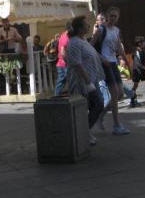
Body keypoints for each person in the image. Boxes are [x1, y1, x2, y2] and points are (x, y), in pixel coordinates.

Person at [65, 16, 105, 145]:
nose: (89, 26)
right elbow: (77, 64)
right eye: (86, 24)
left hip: (91, 80)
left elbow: (92, 52)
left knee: (92, 106)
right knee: (96, 104)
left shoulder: (83, 41)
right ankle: (82, 132)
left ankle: (84, 132)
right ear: (80, 28)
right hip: (81, 82)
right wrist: (88, 83)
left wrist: (103, 60)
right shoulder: (74, 42)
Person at [91, 9, 130, 136]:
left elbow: (118, 46)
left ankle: (100, 116)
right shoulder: (102, 29)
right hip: (105, 64)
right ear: (107, 17)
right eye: (111, 16)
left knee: (119, 95)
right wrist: (101, 58)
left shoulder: (116, 30)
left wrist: (127, 61)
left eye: (115, 16)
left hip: (113, 63)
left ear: (118, 17)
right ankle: (117, 125)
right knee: (114, 94)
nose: (113, 18)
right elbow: (90, 46)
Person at [54, 24, 70, 96]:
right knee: (62, 81)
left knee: (62, 81)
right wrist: (68, 62)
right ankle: (56, 97)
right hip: (63, 64)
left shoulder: (63, 35)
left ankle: (57, 97)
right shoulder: (65, 37)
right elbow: (63, 52)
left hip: (62, 63)